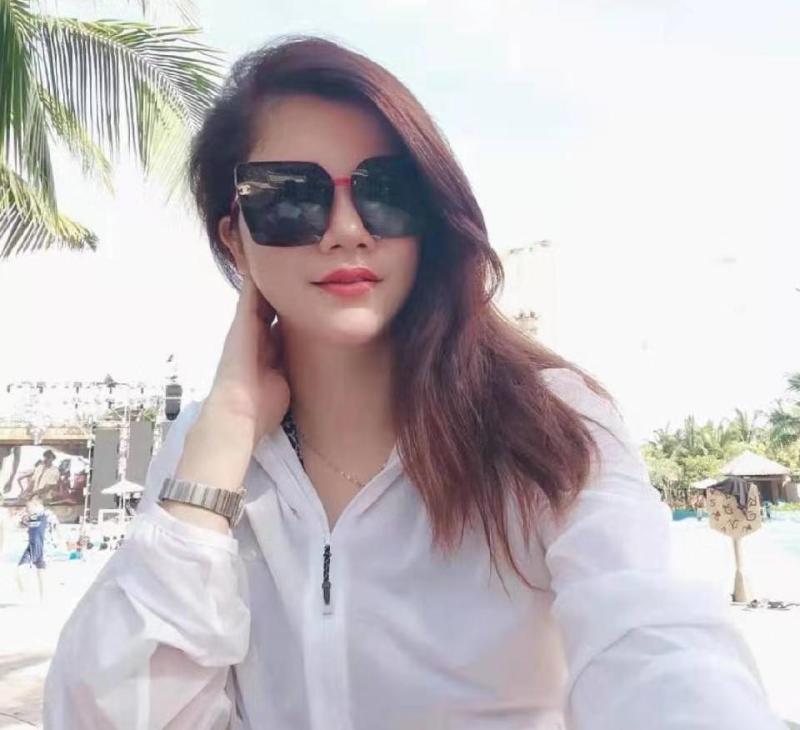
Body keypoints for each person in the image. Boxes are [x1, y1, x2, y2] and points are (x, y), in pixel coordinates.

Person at [44, 37, 783, 729]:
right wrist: (228, 433)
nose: (346, 229)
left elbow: (655, 641)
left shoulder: (547, 420)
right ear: (233, 237)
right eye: (290, 196)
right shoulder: (205, 452)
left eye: (386, 190)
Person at [16, 495, 48, 602]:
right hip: (34, 547)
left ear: (36, 505)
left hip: (38, 548)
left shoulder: (44, 515)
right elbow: (22, 524)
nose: (27, 509)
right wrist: (21, 519)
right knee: (24, 571)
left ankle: (39, 598)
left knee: (39, 574)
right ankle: (27, 593)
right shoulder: (33, 516)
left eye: (28, 507)